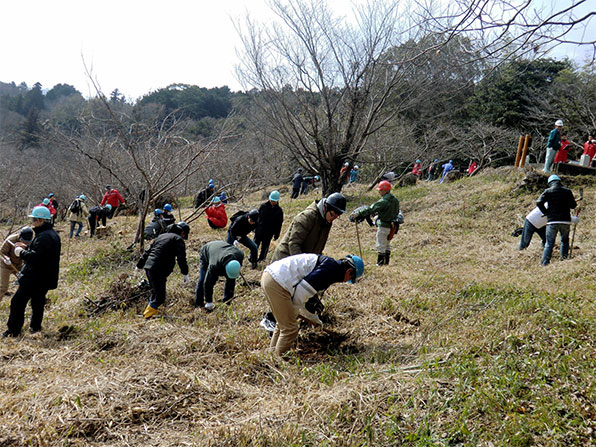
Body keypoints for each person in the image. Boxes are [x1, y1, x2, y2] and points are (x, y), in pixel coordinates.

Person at [261, 253, 364, 356]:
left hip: (270, 277)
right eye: (349, 279)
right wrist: (306, 315)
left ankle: (271, 354)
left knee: (283, 323)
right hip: (278, 282)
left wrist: (313, 318)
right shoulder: (329, 271)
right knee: (290, 329)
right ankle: (277, 360)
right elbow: (300, 295)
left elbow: (302, 297)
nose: (346, 281)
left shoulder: (329, 265)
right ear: (349, 271)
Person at [3, 206, 60, 337]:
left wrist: (21, 252)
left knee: (17, 302)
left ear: (41, 220)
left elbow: (36, 258)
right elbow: (43, 254)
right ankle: (35, 327)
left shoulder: (43, 237)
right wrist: (28, 248)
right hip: (45, 277)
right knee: (38, 303)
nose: (33, 222)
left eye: (34, 219)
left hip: (34, 277)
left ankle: (13, 331)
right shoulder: (52, 235)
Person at [271, 192, 346, 262]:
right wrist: (303, 265)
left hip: (304, 261)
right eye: (332, 215)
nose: (333, 219)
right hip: (285, 260)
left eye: (337, 217)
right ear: (325, 208)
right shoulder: (306, 217)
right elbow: (294, 244)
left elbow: (318, 248)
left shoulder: (327, 221)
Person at [137, 222, 190, 319]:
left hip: (149, 267)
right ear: (182, 232)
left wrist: (139, 265)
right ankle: (147, 315)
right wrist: (185, 273)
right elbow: (181, 258)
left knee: (155, 293)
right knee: (160, 297)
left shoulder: (161, 237)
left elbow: (147, 252)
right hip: (159, 269)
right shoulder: (178, 239)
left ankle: (150, 311)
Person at [350, 180, 400, 266]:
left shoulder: (383, 201)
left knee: (380, 245)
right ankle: (386, 263)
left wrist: (358, 213)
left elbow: (371, 209)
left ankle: (380, 263)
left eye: (380, 190)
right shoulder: (395, 200)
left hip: (383, 225)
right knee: (387, 245)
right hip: (392, 226)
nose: (379, 192)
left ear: (385, 190)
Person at [536, 175, 577, 265]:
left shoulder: (548, 191)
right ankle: (563, 260)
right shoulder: (567, 191)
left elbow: (538, 202)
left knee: (549, 243)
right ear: (559, 181)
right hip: (565, 220)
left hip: (552, 221)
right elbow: (573, 205)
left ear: (550, 183)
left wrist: (546, 212)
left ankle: (544, 263)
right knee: (565, 241)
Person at [194, 240, 243, 310]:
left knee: (231, 279)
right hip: (207, 250)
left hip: (222, 248)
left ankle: (227, 301)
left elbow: (232, 276)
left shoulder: (239, 254)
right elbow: (208, 282)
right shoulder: (214, 265)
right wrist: (209, 301)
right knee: (203, 279)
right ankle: (199, 303)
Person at [1, 227, 34, 299]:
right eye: (23, 241)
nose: (25, 243)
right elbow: (2, 252)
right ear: (19, 236)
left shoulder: (32, 243)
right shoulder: (10, 240)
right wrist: (5, 259)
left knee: (27, 282)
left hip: (19, 265)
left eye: (27, 242)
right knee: (3, 287)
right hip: (6, 265)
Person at [254, 191, 284, 262]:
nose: (272, 202)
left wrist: (277, 234)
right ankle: (252, 259)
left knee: (265, 247)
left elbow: (279, 224)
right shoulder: (263, 206)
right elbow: (257, 218)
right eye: (271, 200)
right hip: (259, 230)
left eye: (274, 201)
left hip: (269, 232)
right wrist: (255, 227)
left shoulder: (279, 211)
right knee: (255, 245)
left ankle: (261, 259)